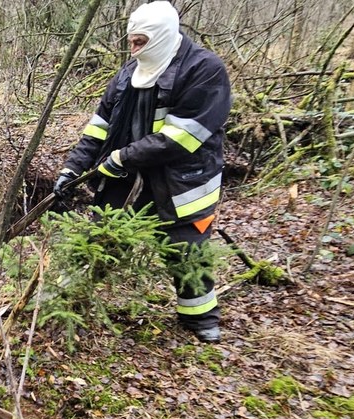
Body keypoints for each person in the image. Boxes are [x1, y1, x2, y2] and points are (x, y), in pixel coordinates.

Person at [53, 1, 231, 343]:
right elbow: (98, 129)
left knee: (186, 250)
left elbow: (182, 137)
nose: (133, 51)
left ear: (161, 36)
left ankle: (201, 318)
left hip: (181, 183)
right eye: (130, 42)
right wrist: (72, 168)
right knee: (98, 239)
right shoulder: (126, 75)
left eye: (139, 42)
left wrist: (122, 156)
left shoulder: (203, 70)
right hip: (128, 177)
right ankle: (65, 303)